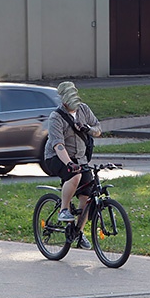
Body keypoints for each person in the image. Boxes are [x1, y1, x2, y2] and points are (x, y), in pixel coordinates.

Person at [44, 81, 102, 249]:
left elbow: (98, 128)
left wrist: (88, 128)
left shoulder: (84, 109)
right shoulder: (56, 117)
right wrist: (69, 162)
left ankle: (78, 232)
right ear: (63, 101)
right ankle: (63, 209)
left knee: (86, 195)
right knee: (74, 174)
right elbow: (58, 145)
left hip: (81, 158)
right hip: (56, 157)